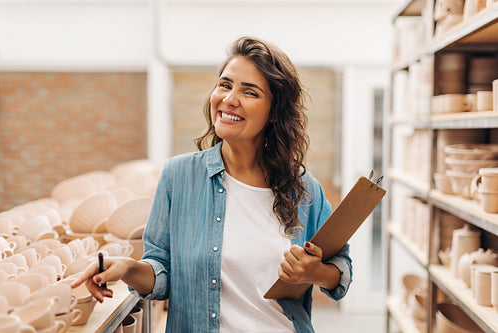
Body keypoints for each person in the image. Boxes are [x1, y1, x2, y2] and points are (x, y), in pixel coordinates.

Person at [71, 36, 352, 332]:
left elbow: (340, 270)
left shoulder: (303, 189)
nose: (230, 99)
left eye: (250, 92)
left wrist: (316, 272)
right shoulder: (178, 177)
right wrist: (128, 267)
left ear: (274, 113)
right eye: (225, 85)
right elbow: (161, 273)